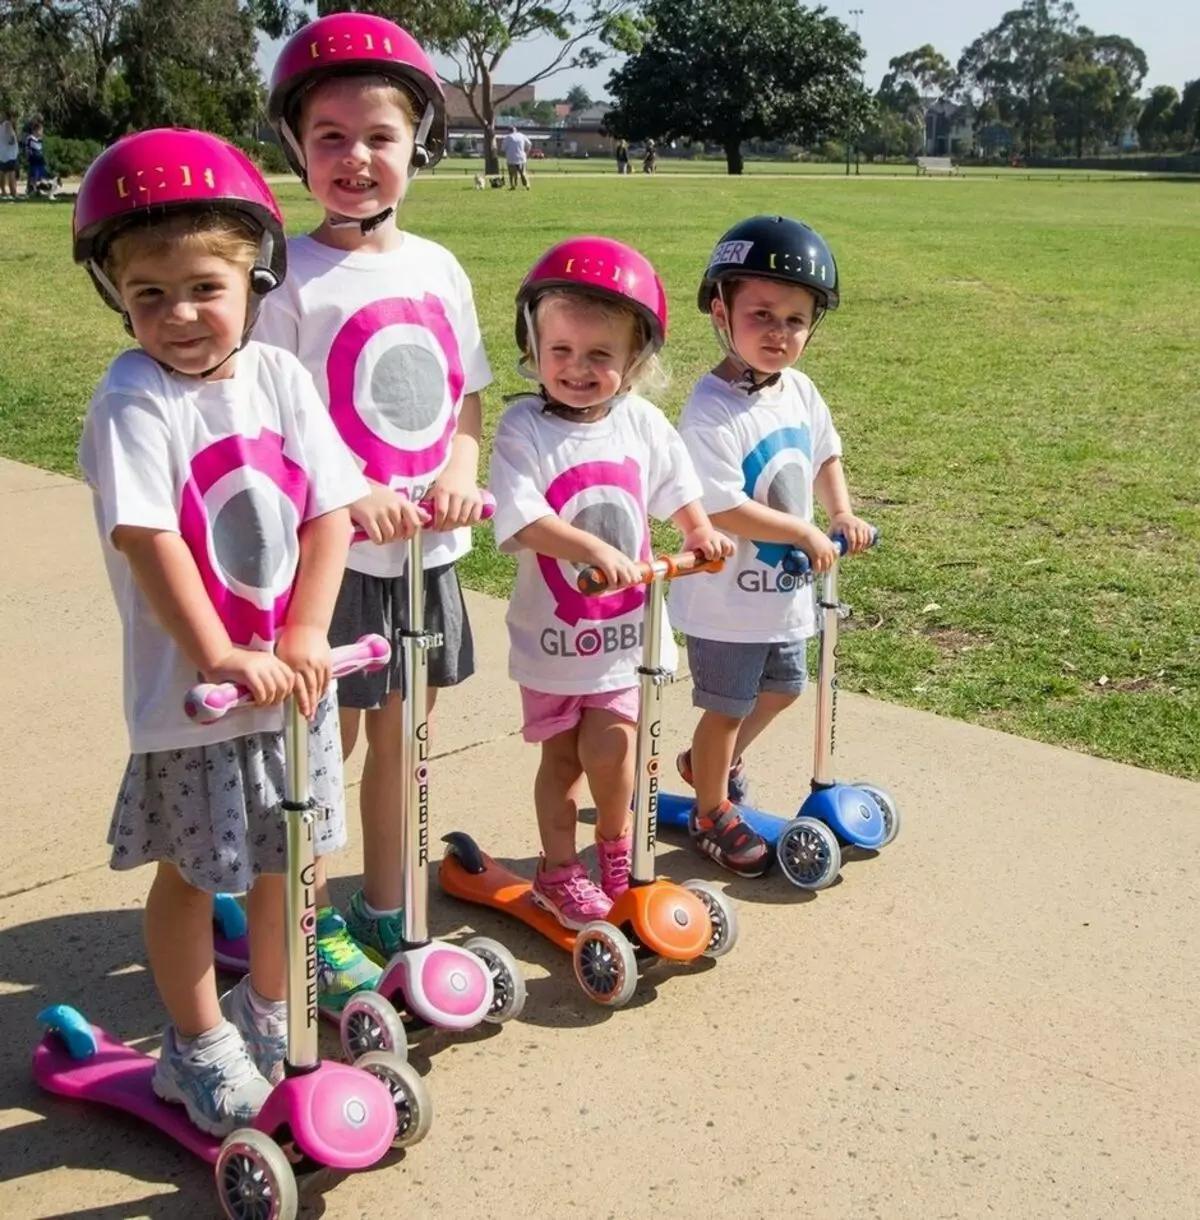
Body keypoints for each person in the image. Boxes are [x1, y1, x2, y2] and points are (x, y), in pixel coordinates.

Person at [72, 128, 368, 1134]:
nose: (179, 314)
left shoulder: (281, 378)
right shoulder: (133, 400)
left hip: (292, 685)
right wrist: (221, 653)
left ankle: (272, 1010)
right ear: (118, 297)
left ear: (255, 278)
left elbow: (331, 509)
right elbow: (149, 535)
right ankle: (194, 1046)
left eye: (204, 285)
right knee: (198, 873)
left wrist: (310, 629)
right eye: (147, 293)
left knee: (294, 857)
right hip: (196, 699)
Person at [258, 11, 491, 998]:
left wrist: (458, 470)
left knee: (407, 730)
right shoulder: (287, 278)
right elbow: (268, 425)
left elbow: (466, 396)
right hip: (331, 569)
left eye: (379, 137)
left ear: (418, 145)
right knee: (323, 744)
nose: (356, 158)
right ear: (299, 150)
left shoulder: (437, 267)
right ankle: (304, 919)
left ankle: (386, 903)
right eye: (331, 138)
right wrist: (348, 496)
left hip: (425, 559)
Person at [487, 237, 733, 927]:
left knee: (616, 747)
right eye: (560, 351)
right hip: (555, 637)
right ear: (533, 348)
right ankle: (558, 870)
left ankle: (615, 850)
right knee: (563, 759)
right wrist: (589, 545)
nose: (577, 369)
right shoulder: (522, 430)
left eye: (600, 356)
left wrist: (696, 530)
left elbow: (677, 485)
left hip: (625, 634)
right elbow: (525, 516)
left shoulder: (641, 423)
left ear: (635, 363)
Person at [668, 215, 875, 877]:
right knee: (725, 705)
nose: (779, 333)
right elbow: (723, 506)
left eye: (795, 320)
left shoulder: (801, 393)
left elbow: (825, 454)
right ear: (720, 312)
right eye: (762, 314)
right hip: (724, 601)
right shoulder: (710, 410)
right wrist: (805, 531)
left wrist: (840, 511)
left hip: (782, 595)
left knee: (784, 687)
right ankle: (710, 810)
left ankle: (709, 766)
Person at [502, 125, 532, 189]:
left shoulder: (507, 137)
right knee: (523, 173)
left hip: (511, 158)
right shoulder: (522, 135)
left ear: (509, 131)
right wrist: (526, 152)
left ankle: (513, 186)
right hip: (521, 157)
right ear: (516, 130)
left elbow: (503, 148)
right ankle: (527, 185)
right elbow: (529, 144)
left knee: (512, 174)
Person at [24, 117, 47, 195]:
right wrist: (27, 158)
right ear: (35, 131)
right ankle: (30, 189)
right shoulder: (30, 139)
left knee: (40, 176)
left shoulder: (39, 140)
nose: (41, 133)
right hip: (33, 161)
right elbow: (29, 150)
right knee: (33, 176)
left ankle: (39, 190)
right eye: (40, 131)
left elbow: (40, 150)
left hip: (40, 161)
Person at [0, 112, 19, 199]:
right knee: (11, 173)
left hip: (2, 154)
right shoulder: (8, 124)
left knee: (2, 173)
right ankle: (13, 192)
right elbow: (11, 137)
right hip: (10, 154)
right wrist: (12, 141)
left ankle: (3, 191)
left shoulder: (1, 126)